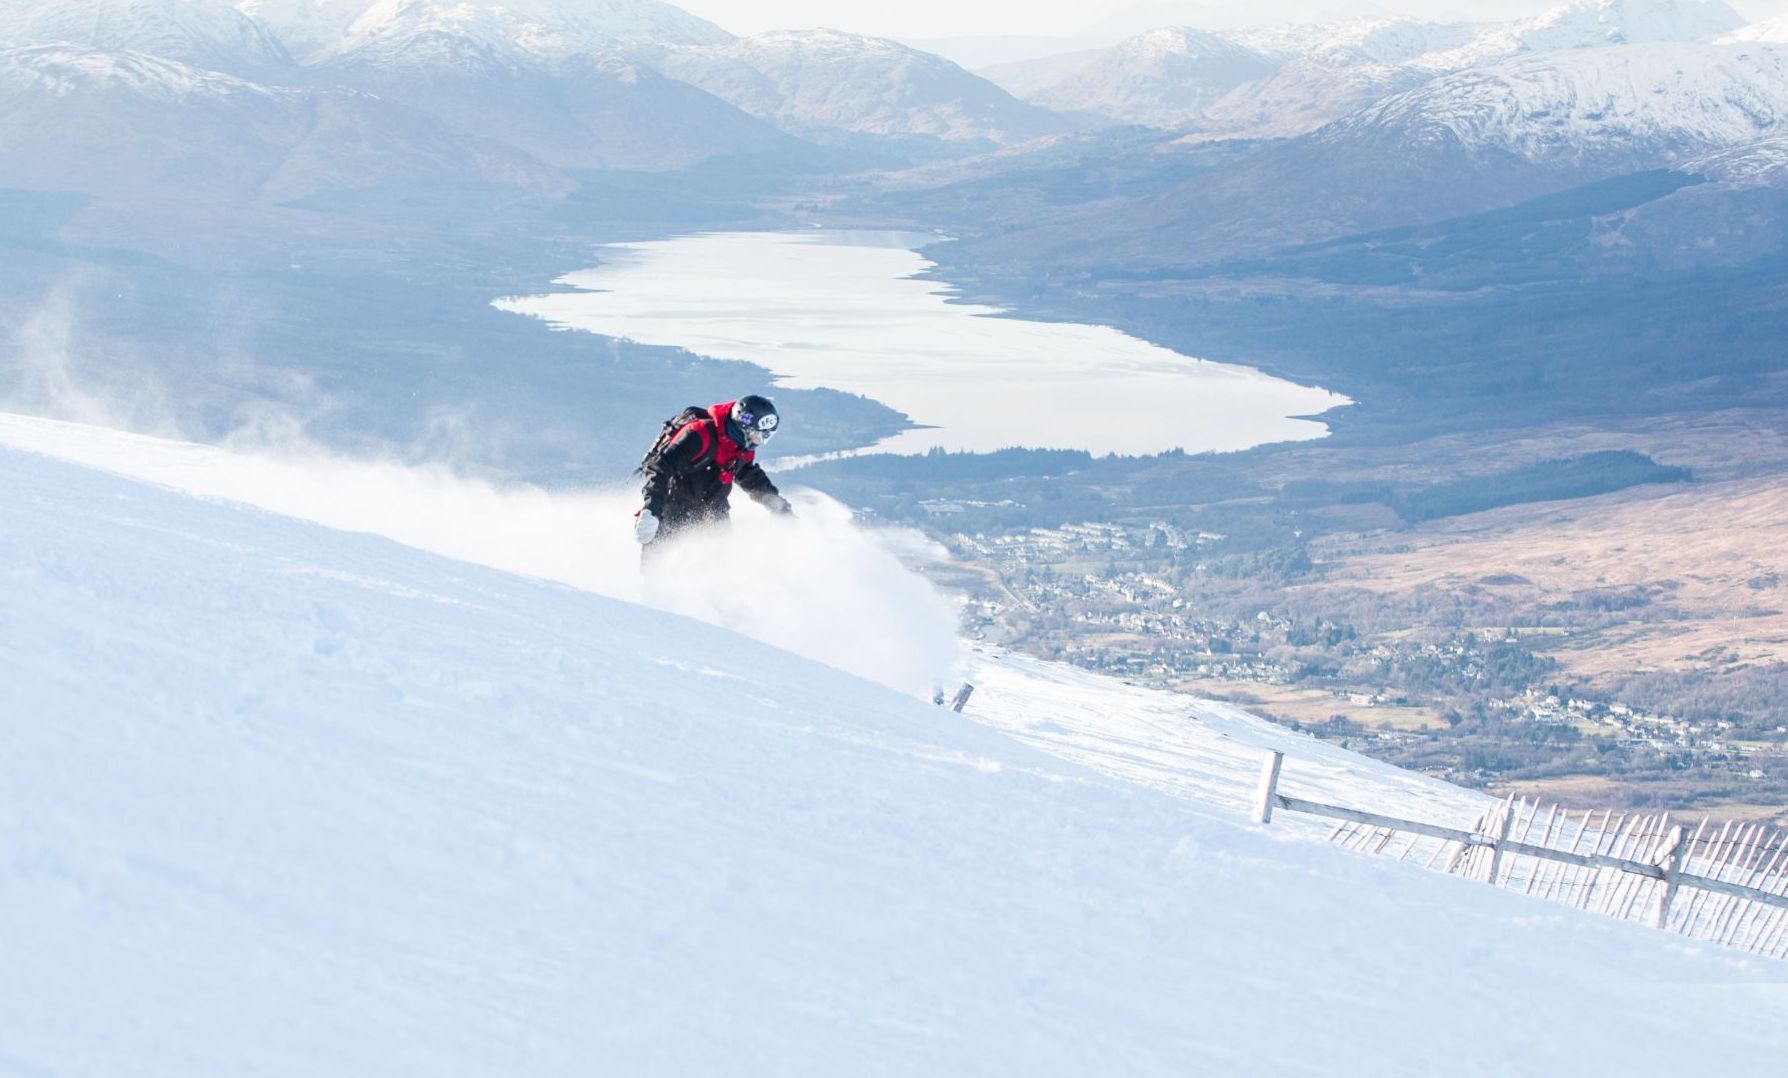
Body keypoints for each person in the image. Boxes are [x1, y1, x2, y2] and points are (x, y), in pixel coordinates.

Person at [634, 394, 792, 559]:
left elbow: (750, 477)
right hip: (674, 505)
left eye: (765, 436)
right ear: (744, 427)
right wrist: (651, 509)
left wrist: (779, 507)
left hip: (714, 509)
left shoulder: (741, 448)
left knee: (720, 566)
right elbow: (660, 467)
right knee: (658, 565)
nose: (759, 441)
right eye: (757, 434)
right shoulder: (699, 435)